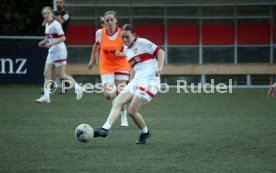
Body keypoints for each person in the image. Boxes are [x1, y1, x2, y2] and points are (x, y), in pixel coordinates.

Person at [93, 24, 165, 144]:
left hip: (150, 79)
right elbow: (134, 67)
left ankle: (145, 133)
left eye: (127, 37)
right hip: (138, 79)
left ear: (134, 35)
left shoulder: (142, 42)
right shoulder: (127, 50)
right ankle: (105, 129)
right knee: (116, 101)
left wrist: (160, 67)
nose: (124, 40)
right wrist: (131, 80)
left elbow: (161, 52)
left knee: (131, 110)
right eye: (123, 37)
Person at [88, 11, 130, 127]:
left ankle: (123, 116)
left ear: (116, 20)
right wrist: (92, 60)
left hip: (121, 64)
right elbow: (96, 45)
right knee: (109, 95)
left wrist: (121, 54)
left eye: (112, 20)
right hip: (106, 65)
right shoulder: (99, 33)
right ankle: (117, 95)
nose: (110, 22)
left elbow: (129, 51)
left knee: (121, 91)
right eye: (107, 20)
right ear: (105, 22)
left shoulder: (123, 34)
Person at [36, 6, 83, 103]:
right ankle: (46, 96)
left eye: (47, 13)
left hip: (59, 50)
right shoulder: (47, 25)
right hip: (52, 50)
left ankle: (78, 88)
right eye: (44, 14)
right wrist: (43, 41)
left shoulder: (56, 24)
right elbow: (50, 37)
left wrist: (50, 44)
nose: (46, 15)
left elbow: (63, 38)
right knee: (46, 73)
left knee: (61, 75)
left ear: (52, 14)